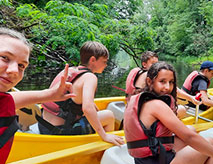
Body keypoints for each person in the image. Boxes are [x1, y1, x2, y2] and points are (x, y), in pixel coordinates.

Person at [124, 61, 213, 164]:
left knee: (191, 129)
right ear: (149, 81)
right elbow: (188, 137)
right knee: (211, 143)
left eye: (171, 82)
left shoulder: (138, 99)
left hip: (146, 159)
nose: (167, 87)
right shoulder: (156, 105)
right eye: (162, 81)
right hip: (156, 160)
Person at [0, 27, 75, 164]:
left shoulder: (4, 100)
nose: (14, 71)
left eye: (21, 66)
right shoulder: (89, 77)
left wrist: (51, 94)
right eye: (4, 58)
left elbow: (9, 101)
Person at [38, 41, 124, 146]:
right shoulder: (90, 77)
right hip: (59, 133)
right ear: (93, 60)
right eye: (104, 61)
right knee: (109, 116)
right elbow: (87, 108)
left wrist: (95, 112)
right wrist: (103, 135)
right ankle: (106, 148)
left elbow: (87, 103)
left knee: (99, 113)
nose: (106, 65)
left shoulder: (70, 70)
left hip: (43, 125)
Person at [125, 51, 200, 118]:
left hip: (130, 106)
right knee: (182, 110)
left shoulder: (136, 71)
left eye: (157, 63)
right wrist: (191, 98)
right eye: (153, 64)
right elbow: (176, 90)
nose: (156, 66)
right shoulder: (149, 76)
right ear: (144, 64)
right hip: (141, 112)